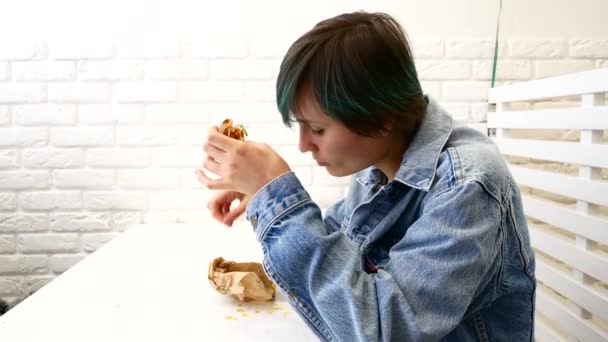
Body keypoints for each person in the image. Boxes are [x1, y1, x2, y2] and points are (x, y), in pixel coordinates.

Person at [196, 11, 536, 342]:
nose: (303, 145)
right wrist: (261, 194)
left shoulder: (466, 187)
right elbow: (340, 246)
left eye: (316, 128)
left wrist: (276, 197)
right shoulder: (381, 168)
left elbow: (383, 328)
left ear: (382, 116)